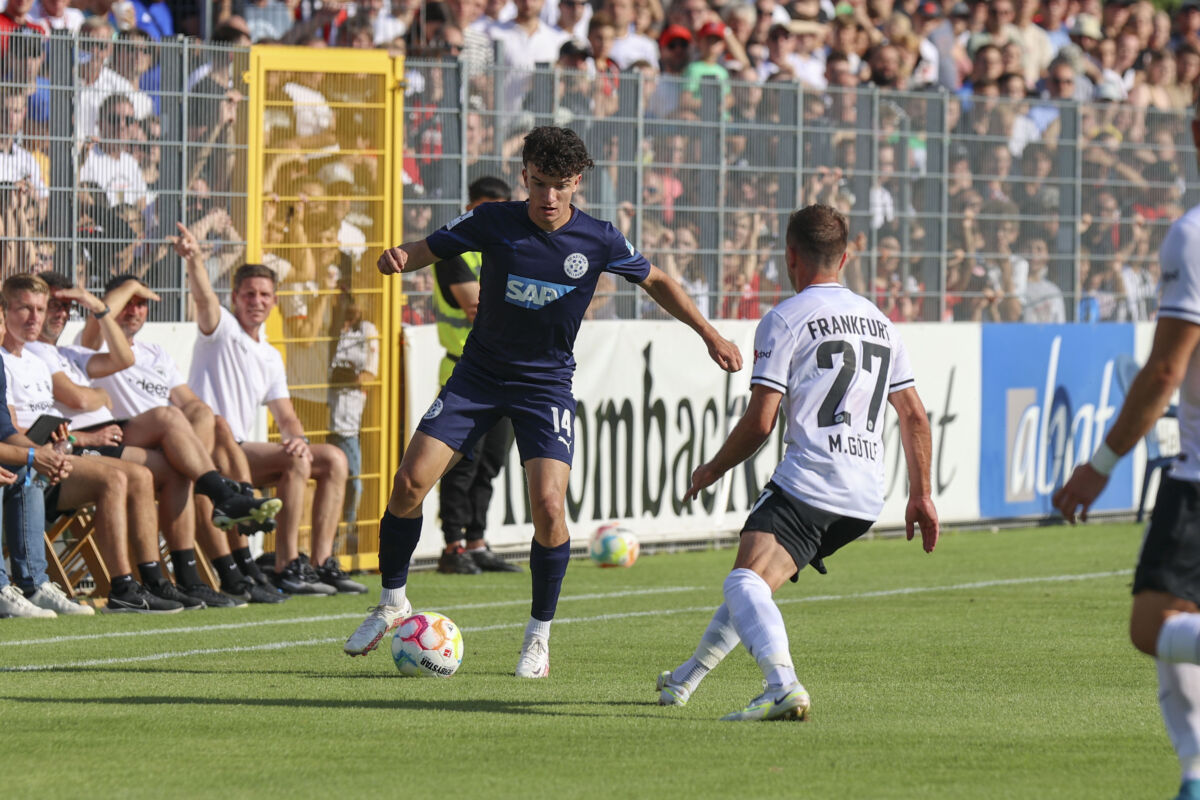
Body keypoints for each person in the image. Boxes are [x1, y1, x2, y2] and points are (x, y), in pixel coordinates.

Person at [348, 126, 742, 676]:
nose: (547, 197)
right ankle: (392, 603)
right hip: (478, 375)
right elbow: (430, 248)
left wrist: (711, 333)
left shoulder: (599, 239)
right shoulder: (493, 221)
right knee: (410, 481)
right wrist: (398, 257)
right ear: (524, 176)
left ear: (577, 182)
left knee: (550, 507)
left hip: (545, 385)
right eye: (537, 183)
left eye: (559, 186)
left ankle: (538, 637)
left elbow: (657, 281)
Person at [657, 203, 939, 721]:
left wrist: (712, 468)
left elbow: (761, 422)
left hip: (813, 479)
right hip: (865, 495)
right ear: (846, 257)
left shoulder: (784, 319)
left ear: (790, 256)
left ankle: (781, 685)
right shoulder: (881, 323)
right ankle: (684, 679)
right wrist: (920, 494)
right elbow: (915, 416)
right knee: (755, 580)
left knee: (742, 583)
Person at [1052, 103, 1200, 800]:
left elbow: (1166, 370)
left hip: (1198, 472)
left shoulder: (1192, 235)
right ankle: (1194, 776)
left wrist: (1099, 466)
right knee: (1177, 619)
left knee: (1154, 626)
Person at [36, 271, 285, 605]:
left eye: (142, 304)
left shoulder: (70, 355)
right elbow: (82, 399)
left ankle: (189, 571)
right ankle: (226, 530)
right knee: (174, 433)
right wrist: (98, 396)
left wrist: (97, 307)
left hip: (132, 441)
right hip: (92, 445)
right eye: (51, 305)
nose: (135, 309)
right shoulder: (60, 348)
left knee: (199, 438)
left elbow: (126, 360)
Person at [176, 225, 362, 597]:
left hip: (244, 450)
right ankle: (286, 564)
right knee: (296, 463)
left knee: (334, 459)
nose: (256, 301)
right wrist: (195, 260)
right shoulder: (222, 329)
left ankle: (321, 564)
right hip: (210, 449)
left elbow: (286, 414)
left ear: (275, 301)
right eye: (249, 294)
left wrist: (297, 439)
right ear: (235, 298)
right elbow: (203, 299)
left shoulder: (271, 355)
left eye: (264, 295)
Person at [431, 176, 523, 576]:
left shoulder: (504, 250)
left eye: (500, 205)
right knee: (461, 461)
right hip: (465, 371)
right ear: (470, 206)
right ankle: (452, 544)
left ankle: (477, 540)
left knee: (491, 461)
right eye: (486, 205)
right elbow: (474, 306)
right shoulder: (456, 250)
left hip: (508, 370)